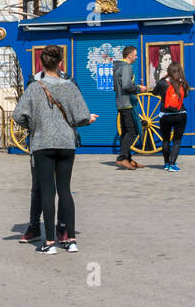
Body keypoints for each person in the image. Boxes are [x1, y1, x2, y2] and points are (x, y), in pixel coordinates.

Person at [12, 45, 97, 254]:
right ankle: (71, 239)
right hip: (66, 144)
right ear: (61, 62)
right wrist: (88, 120)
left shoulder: (34, 87)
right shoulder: (70, 86)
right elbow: (82, 116)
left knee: (47, 192)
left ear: (42, 62)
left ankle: (49, 243)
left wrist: (35, 126)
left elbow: (17, 115)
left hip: (43, 144)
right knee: (65, 191)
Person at [113, 46, 146, 169]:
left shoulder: (118, 67)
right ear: (129, 55)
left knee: (126, 132)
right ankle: (122, 158)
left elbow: (116, 87)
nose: (136, 57)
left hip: (120, 103)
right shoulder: (126, 67)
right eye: (135, 55)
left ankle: (128, 158)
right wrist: (139, 88)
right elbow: (126, 85)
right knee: (133, 131)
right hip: (127, 104)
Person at [155, 60, 190, 172]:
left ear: (169, 71)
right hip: (180, 115)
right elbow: (185, 95)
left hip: (165, 115)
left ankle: (166, 163)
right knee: (177, 141)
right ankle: (172, 164)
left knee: (165, 140)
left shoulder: (162, 83)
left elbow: (153, 93)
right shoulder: (183, 83)